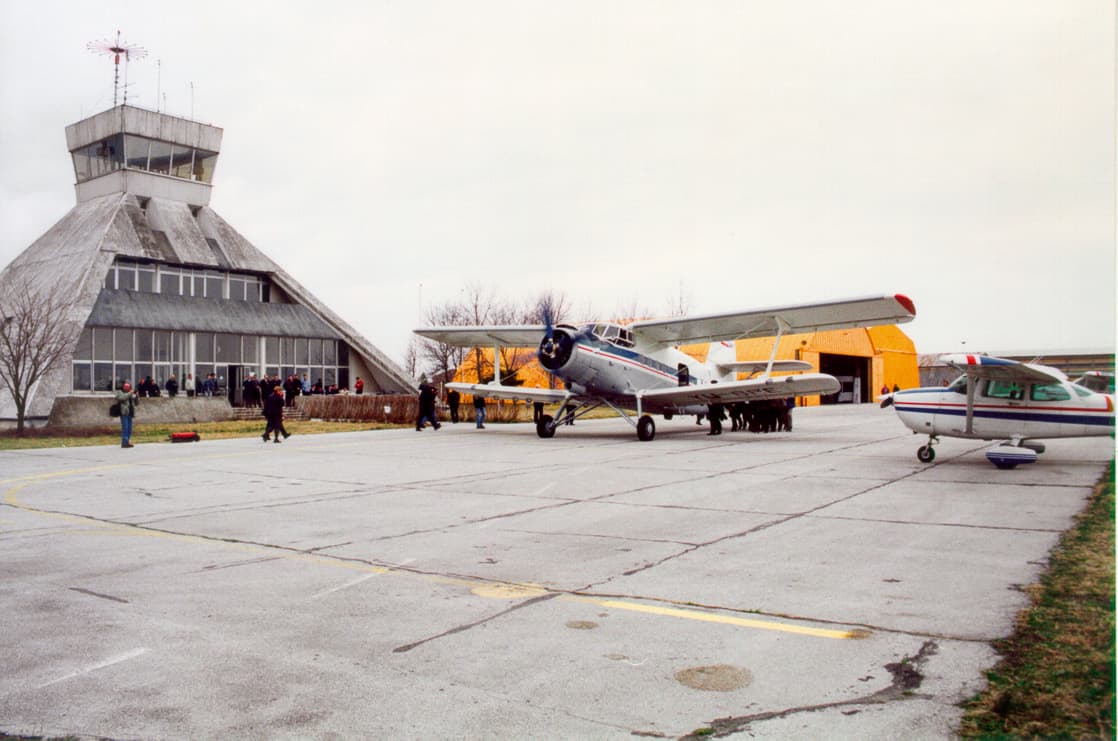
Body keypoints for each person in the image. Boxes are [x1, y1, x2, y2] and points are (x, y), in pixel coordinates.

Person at [115, 381, 139, 448]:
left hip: (130, 413)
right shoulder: (120, 392)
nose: (127, 388)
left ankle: (127, 441)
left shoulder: (130, 394)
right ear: (123, 387)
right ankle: (124, 443)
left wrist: (136, 395)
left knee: (129, 429)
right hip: (124, 413)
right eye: (126, 387)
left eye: (128, 387)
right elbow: (121, 398)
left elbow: (136, 403)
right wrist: (130, 393)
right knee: (125, 428)